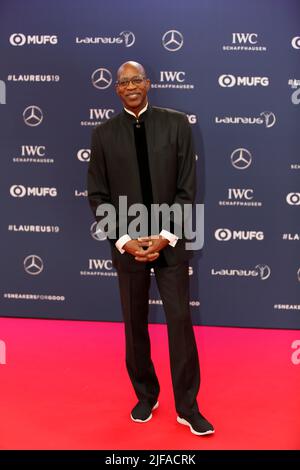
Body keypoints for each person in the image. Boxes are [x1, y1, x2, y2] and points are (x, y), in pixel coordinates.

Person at [87, 61, 214, 436]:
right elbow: (97, 195)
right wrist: (125, 241)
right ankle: (145, 395)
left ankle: (188, 407)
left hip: (171, 244)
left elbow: (186, 188)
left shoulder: (176, 124)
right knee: (134, 325)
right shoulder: (103, 133)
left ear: (148, 83)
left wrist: (166, 235)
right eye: (123, 81)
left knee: (180, 323)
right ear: (116, 89)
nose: (130, 86)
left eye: (136, 79)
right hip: (127, 246)